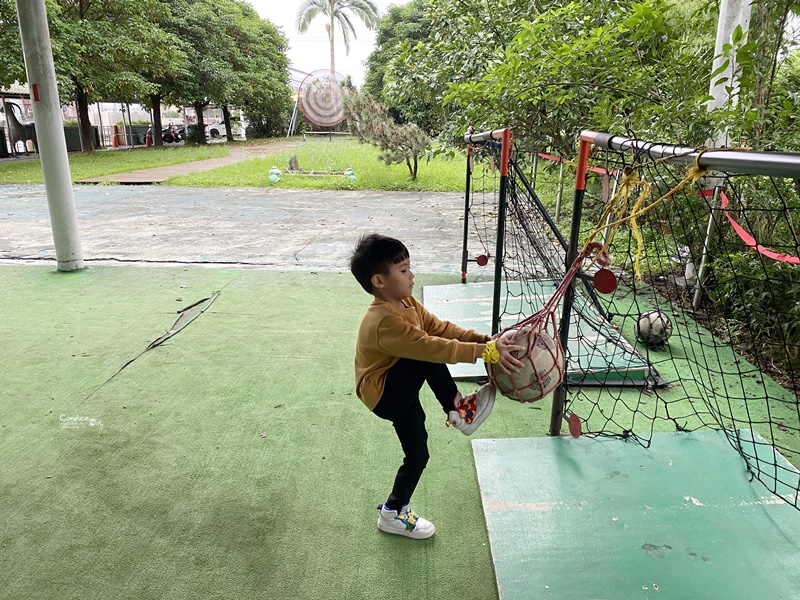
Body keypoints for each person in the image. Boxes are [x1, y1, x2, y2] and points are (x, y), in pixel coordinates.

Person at [349, 233, 523, 540]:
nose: (411, 274)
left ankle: (393, 511)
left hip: (397, 384)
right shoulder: (384, 320)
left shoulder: (406, 302)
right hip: (383, 394)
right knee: (425, 354)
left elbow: (440, 328)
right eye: (403, 270)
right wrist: (485, 354)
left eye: (409, 267)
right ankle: (459, 409)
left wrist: (486, 341)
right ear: (379, 281)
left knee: (418, 453)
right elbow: (431, 347)